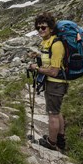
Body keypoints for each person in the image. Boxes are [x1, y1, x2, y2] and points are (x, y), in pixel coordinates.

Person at [28, 13, 67, 151]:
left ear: (51, 28)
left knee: (52, 114)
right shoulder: (48, 42)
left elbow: (54, 71)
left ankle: (51, 143)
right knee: (57, 111)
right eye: (38, 28)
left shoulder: (56, 45)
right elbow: (49, 58)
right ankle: (60, 140)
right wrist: (38, 56)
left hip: (55, 83)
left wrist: (36, 68)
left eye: (43, 27)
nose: (40, 30)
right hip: (55, 83)